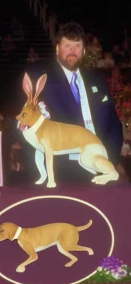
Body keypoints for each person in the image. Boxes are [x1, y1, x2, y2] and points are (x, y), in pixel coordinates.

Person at [25, 21, 123, 183]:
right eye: (67, 45)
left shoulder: (98, 80)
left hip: (99, 167)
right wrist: (43, 171)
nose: (72, 51)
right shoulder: (39, 78)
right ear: (57, 49)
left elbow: (114, 124)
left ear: (83, 51)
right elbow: (26, 124)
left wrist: (108, 160)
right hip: (61, 172)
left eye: (77, 46)